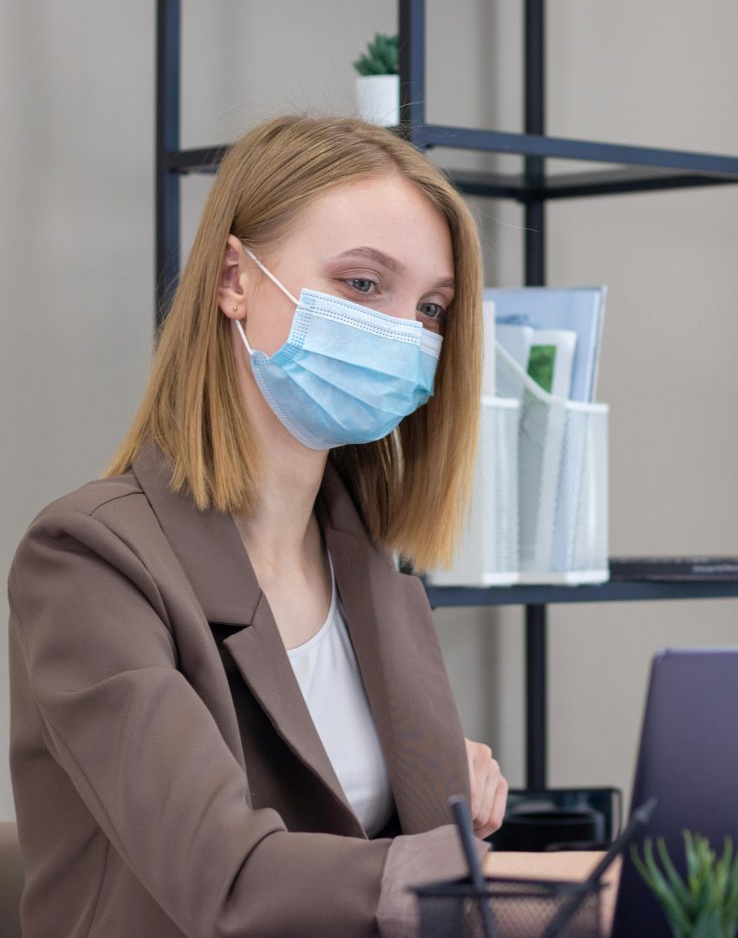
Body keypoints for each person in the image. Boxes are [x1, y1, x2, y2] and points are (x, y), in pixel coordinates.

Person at [8, 114, 509, 938]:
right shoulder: (86, 559)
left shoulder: (371, 564)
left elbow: (403, 823)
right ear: (235, 277)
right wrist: (512, 877)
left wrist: (458, 780)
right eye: (361, 285)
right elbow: (225, 878)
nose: (402, 333)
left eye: (430, 308)